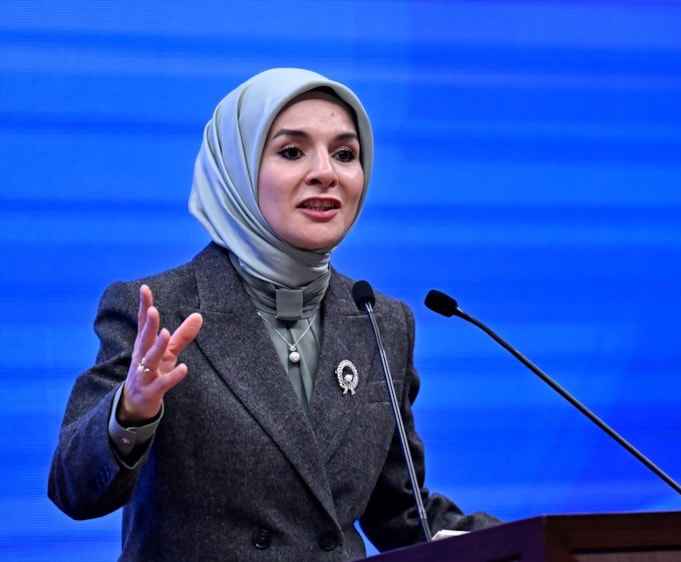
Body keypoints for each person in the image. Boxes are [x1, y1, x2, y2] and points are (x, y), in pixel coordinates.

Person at [48, 67, 499, 561]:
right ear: (237, 169)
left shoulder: (380, 321)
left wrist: (529, 541)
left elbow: (401, 513)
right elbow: (74, 490)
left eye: (345, 154)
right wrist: (130, 412)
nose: (325, 172)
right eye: (291, 151)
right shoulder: (160, 309)